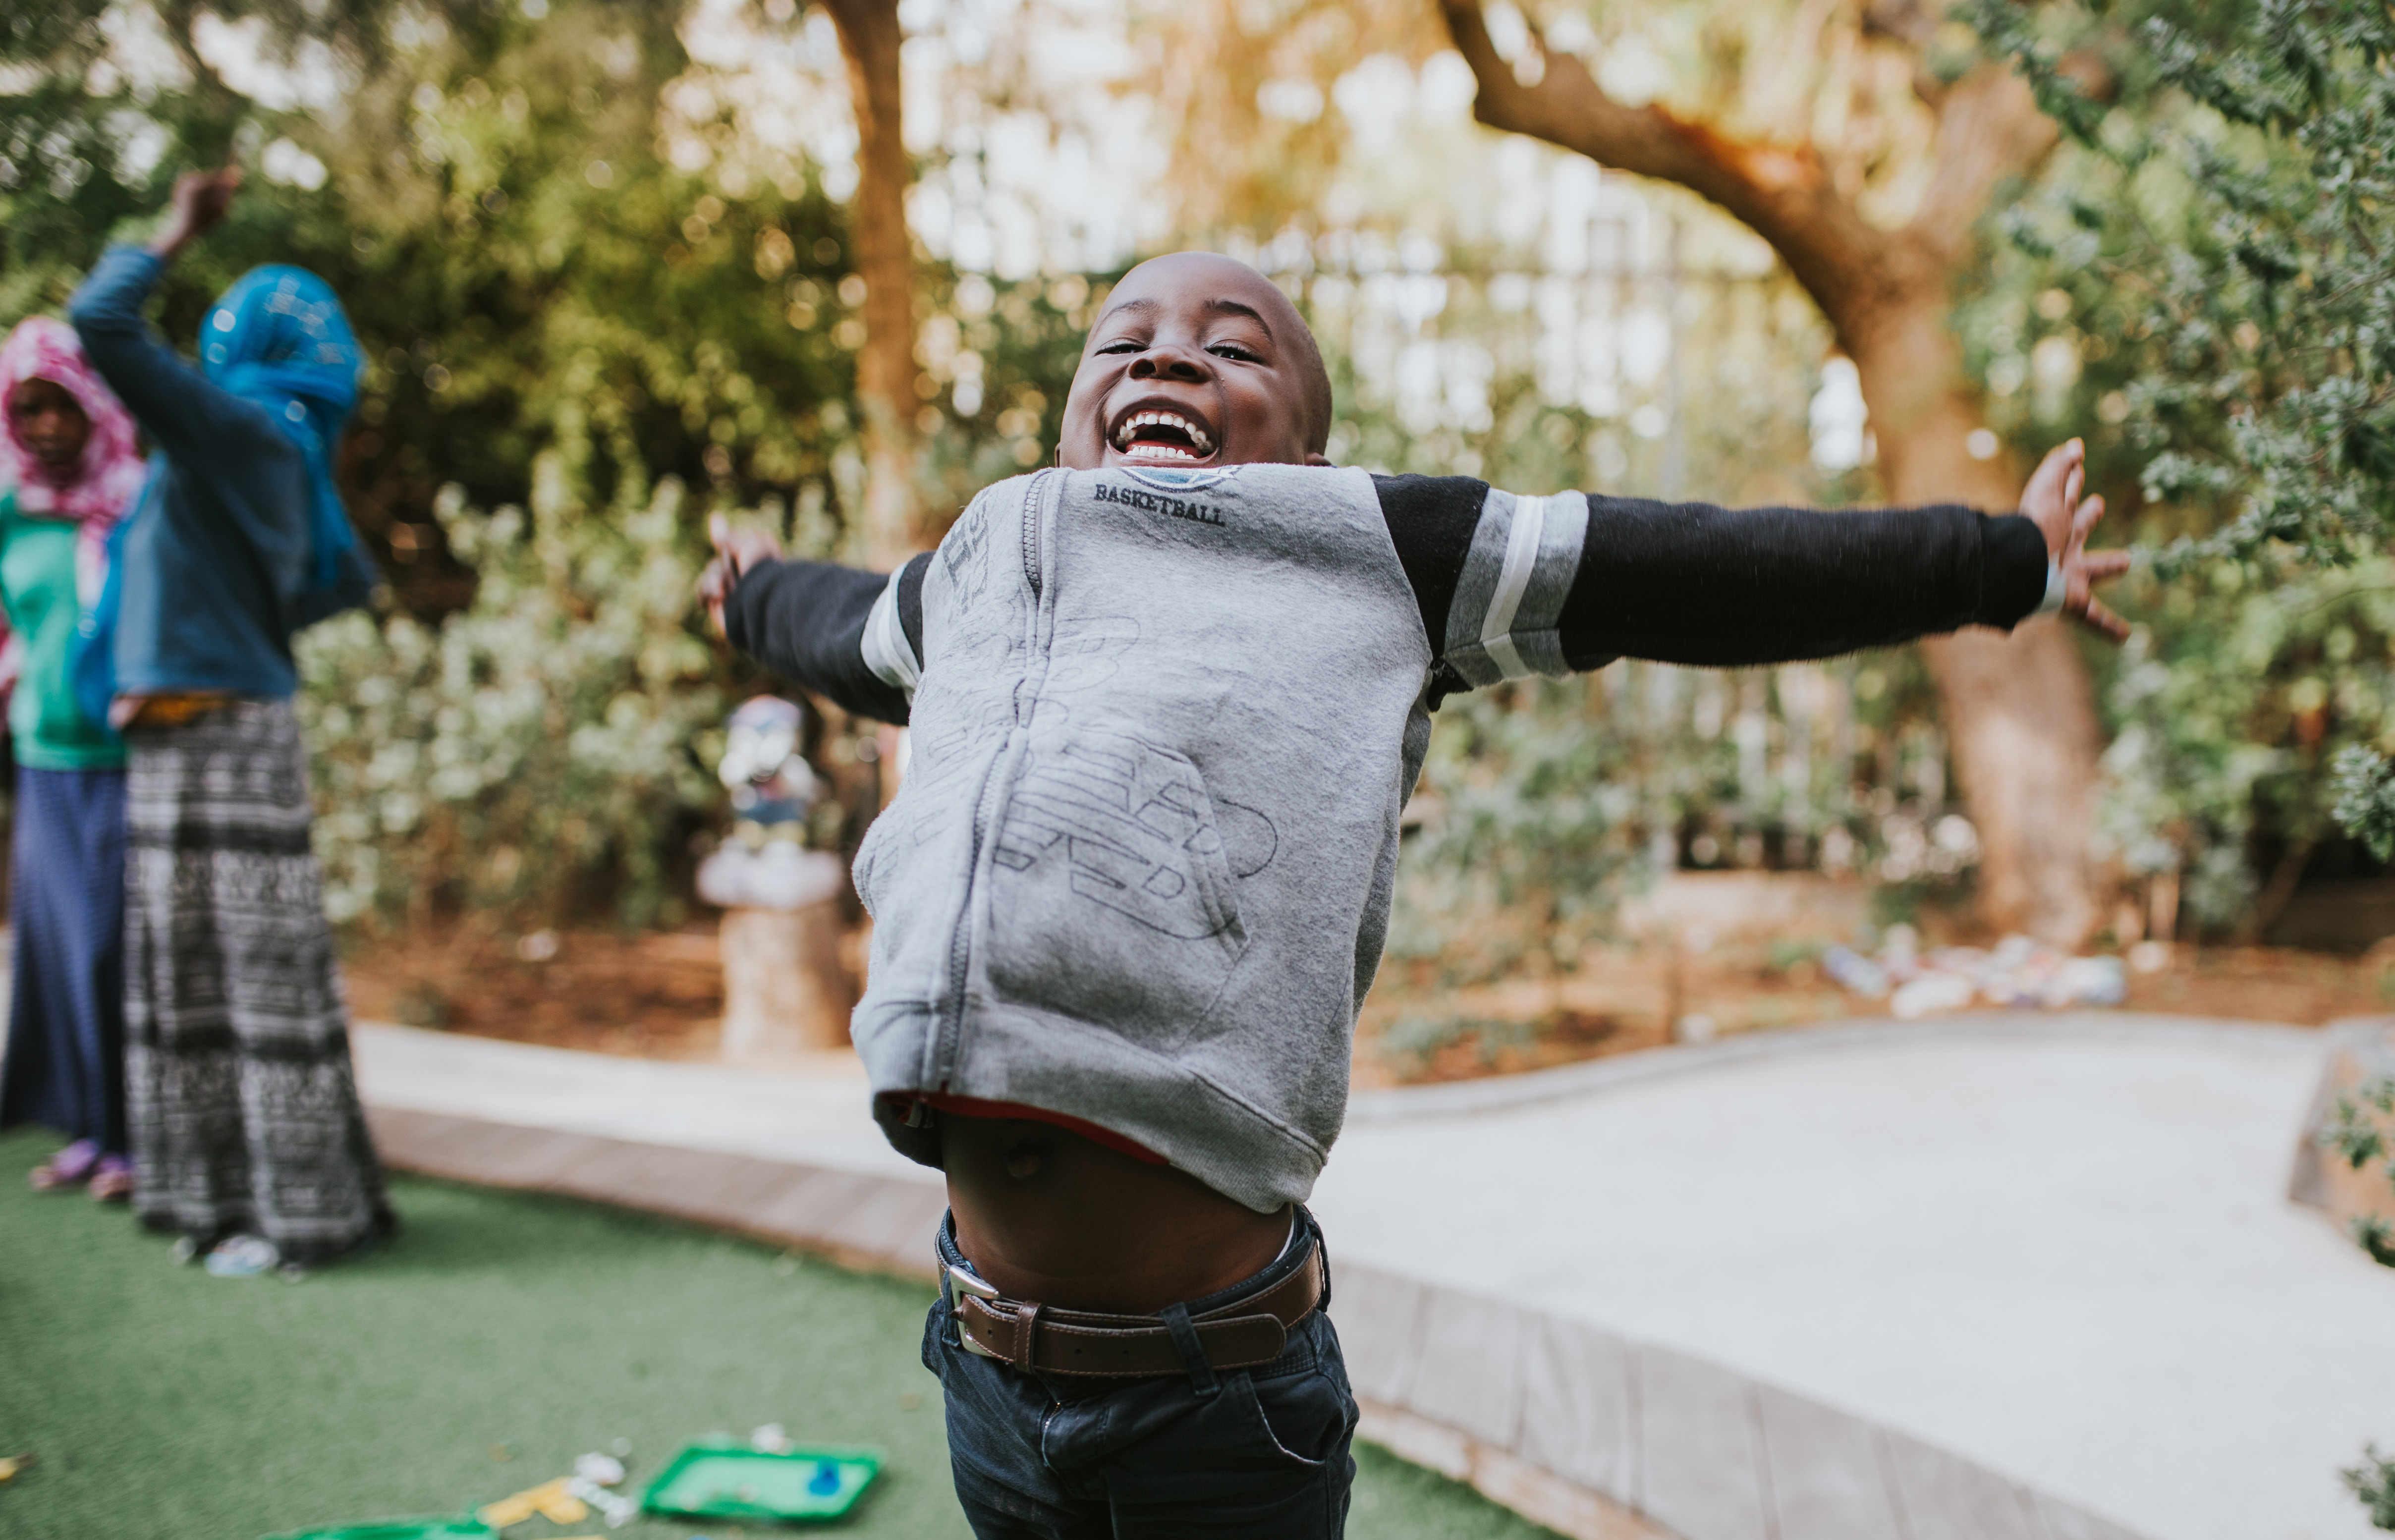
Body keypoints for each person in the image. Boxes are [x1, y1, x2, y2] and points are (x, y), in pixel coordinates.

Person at [701, 251, 2128, 1538]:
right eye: (1121, 339)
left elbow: (1688, 570)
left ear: (1310, 446)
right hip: (987, 1357)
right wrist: (755, 593)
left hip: (1214, 1390)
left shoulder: (1368, 544)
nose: (1165, 356)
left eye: (1234, 345)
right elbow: (841, 627)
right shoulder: (991, 554)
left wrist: (1996, 560)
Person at [68, 167, 390, 1278]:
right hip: (186, 735)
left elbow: (99, 323)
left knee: (253, 988)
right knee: (199, 983)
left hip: (223, 739)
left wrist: (175, 230)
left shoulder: (244, 431)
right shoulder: (260, 445)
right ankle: (229, 1200)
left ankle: (300, 1218)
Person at [0, 318, 150, 1201]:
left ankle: (136, 1136)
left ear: (93, 405)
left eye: (61, 406)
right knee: (54, 954)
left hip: (126, 760)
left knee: (112, 951)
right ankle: (88, 1133)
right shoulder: (11, 512)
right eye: (30, 409)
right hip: (41, 758)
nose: (48, 426)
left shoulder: (136, 500)